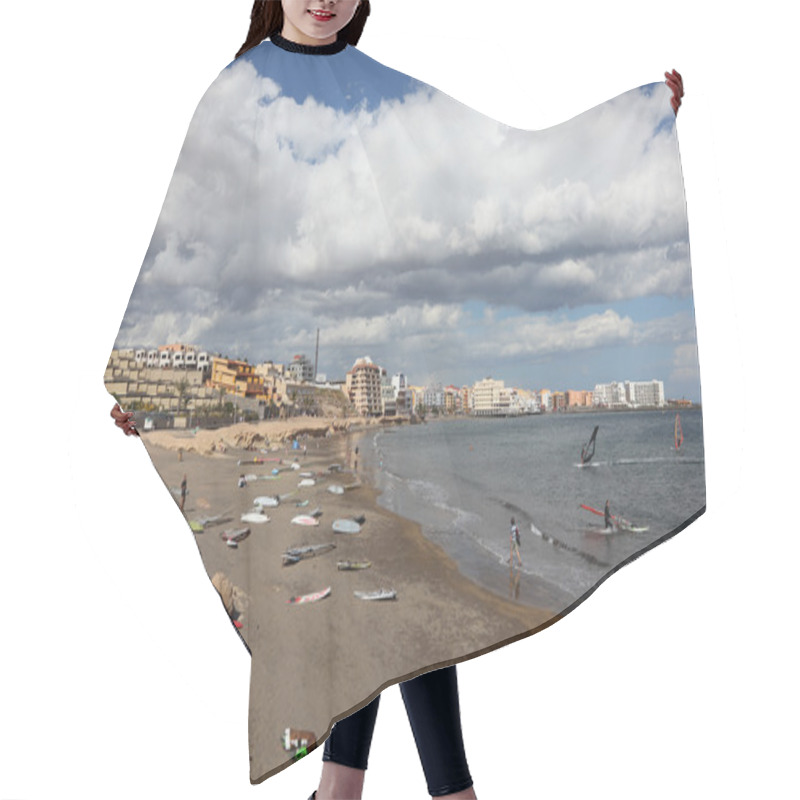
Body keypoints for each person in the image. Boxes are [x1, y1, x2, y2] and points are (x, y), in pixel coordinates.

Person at [110, 2, 685, 797]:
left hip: (394, 340)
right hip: (284, 372)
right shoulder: (237, 92)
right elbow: (189, 264)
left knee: (388, 610)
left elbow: (500, 165)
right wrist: (146, 392)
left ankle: (350, 790)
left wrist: (636, 131)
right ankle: (433, 793)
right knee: (389, 608)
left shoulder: (379, 88)